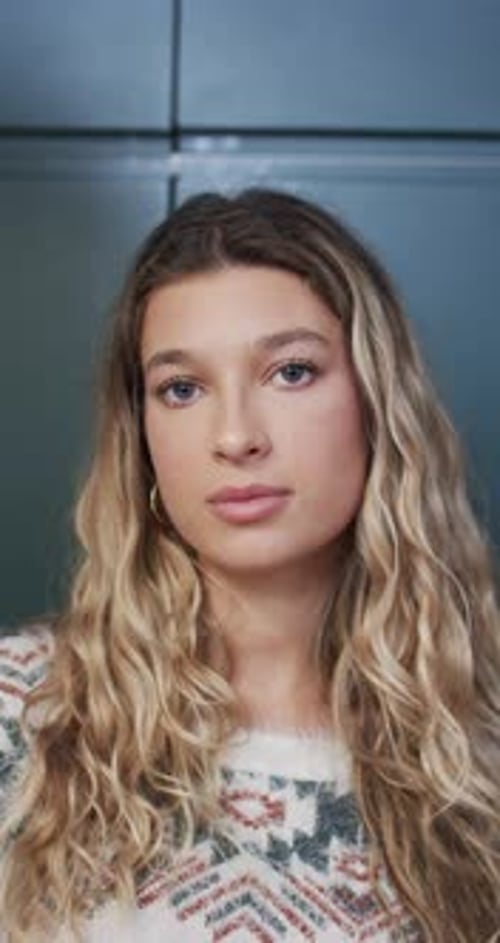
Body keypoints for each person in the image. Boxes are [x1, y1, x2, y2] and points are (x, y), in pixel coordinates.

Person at [0, 189, 499, 943]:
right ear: (142, 436)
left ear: (377, 402)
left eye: (291, 372)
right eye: (182, 388)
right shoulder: (22, 715)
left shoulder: (481, 741)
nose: (235, 436)